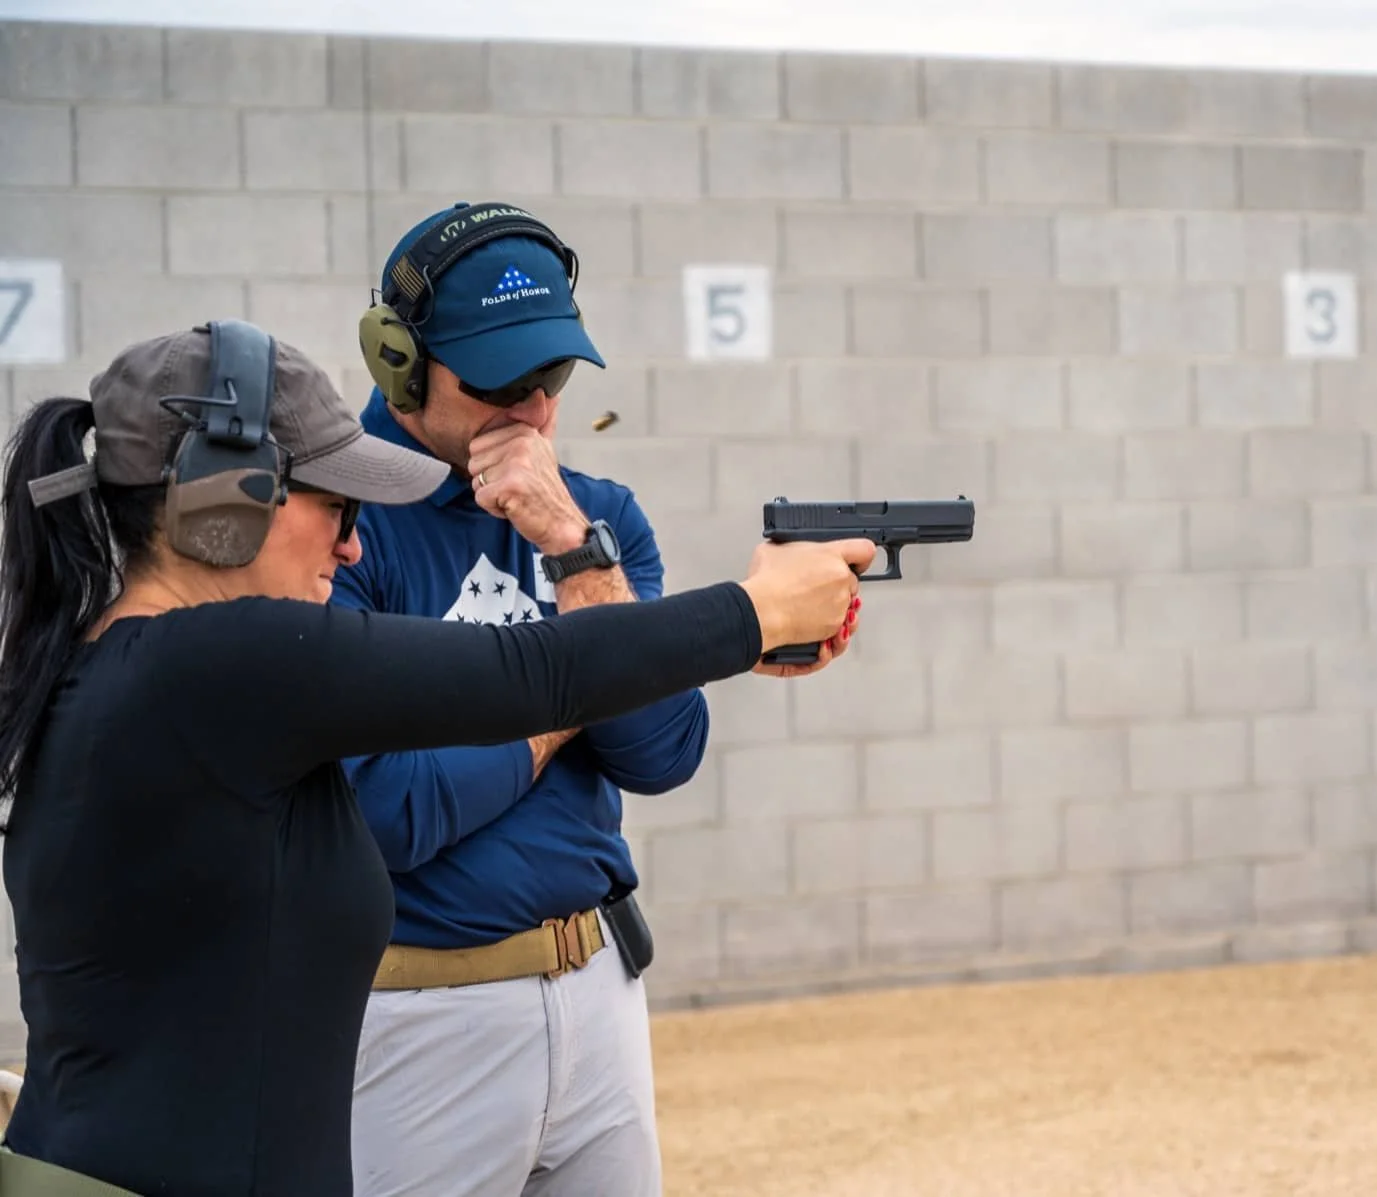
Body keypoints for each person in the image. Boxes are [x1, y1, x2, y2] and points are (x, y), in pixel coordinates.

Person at [0, 319, 871, 1197]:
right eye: (336, 506)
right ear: (224, 498)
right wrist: (758, 608)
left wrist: (699, 640)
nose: (353, 544)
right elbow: (534, 669)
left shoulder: (125, 666)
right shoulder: (220, 662)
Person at [333, 200, 828, 1197]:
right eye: (497, 381)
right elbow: (391, 814)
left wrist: (571, 551)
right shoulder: (338, 530)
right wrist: (571, 690)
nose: (533, 411)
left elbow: (663, 751)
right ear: (399, 362)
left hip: (596, 989)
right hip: (416, 1015)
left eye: (550, 377)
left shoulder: (598, 519)